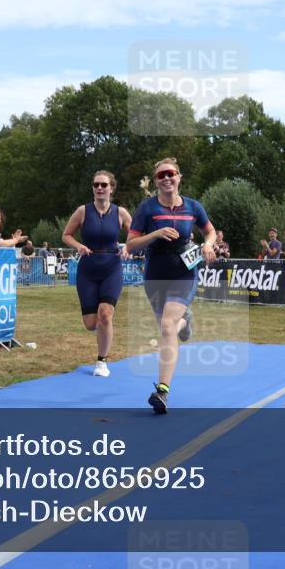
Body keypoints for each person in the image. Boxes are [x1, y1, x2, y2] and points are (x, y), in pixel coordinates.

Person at [126, 158, 216, 414]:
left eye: (171, 174)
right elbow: (130, 245)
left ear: (179, 177)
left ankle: (162, 391)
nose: (167, 178)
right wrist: (155, 234)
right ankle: (186, 322)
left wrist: (208, 244)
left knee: (166, 327)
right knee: (168, 329)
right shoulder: (147, 208)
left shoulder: (193, 206)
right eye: (161, 175)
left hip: (184, 273)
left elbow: (209, 231)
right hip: (155, 274)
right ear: (156, 181)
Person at [62, 170, 132, 377]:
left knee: (105, 314)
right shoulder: (82, 211)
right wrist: (78, 246)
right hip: (87, 269)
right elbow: (66, 235)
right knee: (91, 323)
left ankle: (102, 362)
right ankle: (101, 329)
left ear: (112, 188)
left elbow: (137, 235)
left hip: (112, 267)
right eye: (96, 185)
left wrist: (128, 247)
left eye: (104, 185)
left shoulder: (121, 213)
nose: (100, 188)